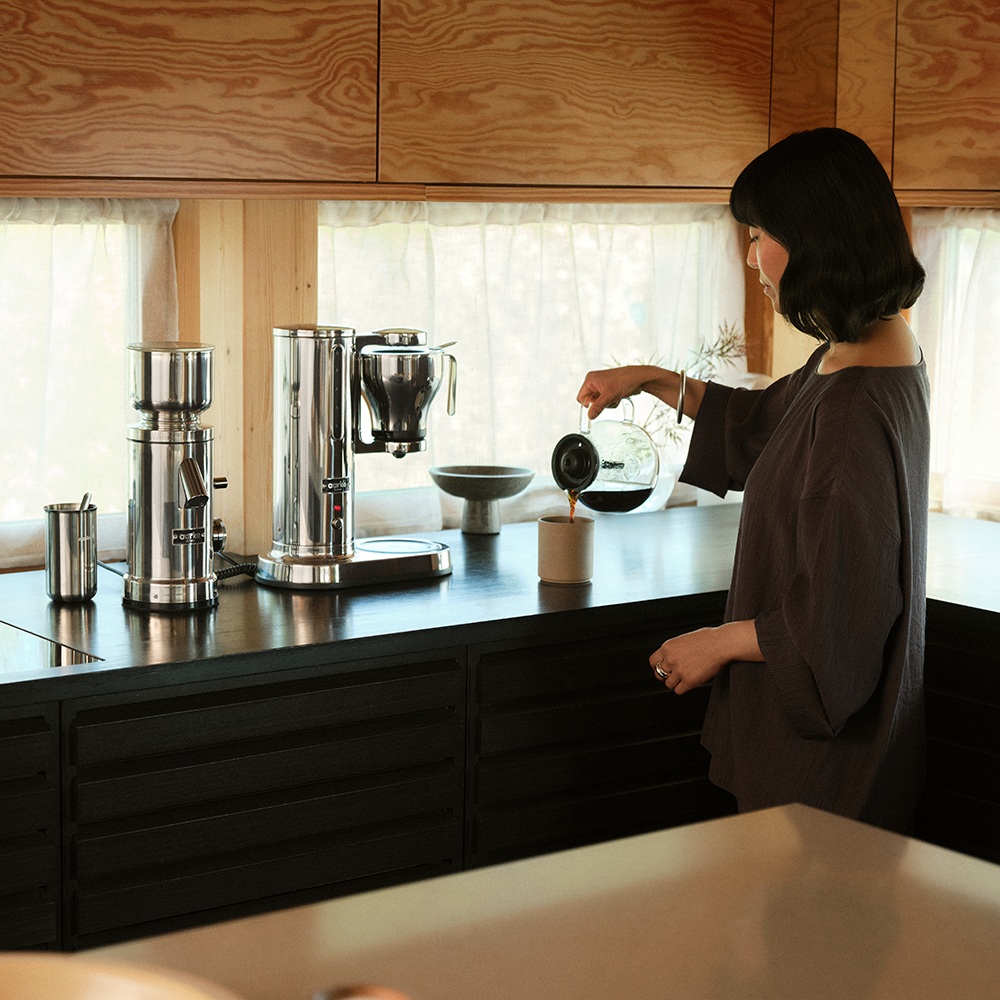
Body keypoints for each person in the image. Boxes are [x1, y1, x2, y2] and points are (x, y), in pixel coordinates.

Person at [576, 128, 929, 833]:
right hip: (853, 764)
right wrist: (647, 379)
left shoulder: (854, 415)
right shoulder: (870, 352)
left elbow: (835, 629)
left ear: (815, 241)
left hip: (827, 785)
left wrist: (718, 642)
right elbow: (765, 421)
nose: (749, 255)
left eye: (760, 234)